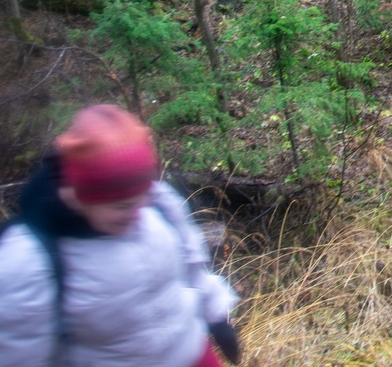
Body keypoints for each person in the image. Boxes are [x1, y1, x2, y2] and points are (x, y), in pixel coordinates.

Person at [0, 104, 240, 367]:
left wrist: (217, 317)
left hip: (191, 353)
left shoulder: (157, 203)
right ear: (84, 196)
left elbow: (193, 267)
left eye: (141, 198)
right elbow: (20, 353)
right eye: (122, 205)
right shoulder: (29, 259)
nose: (138, 213)